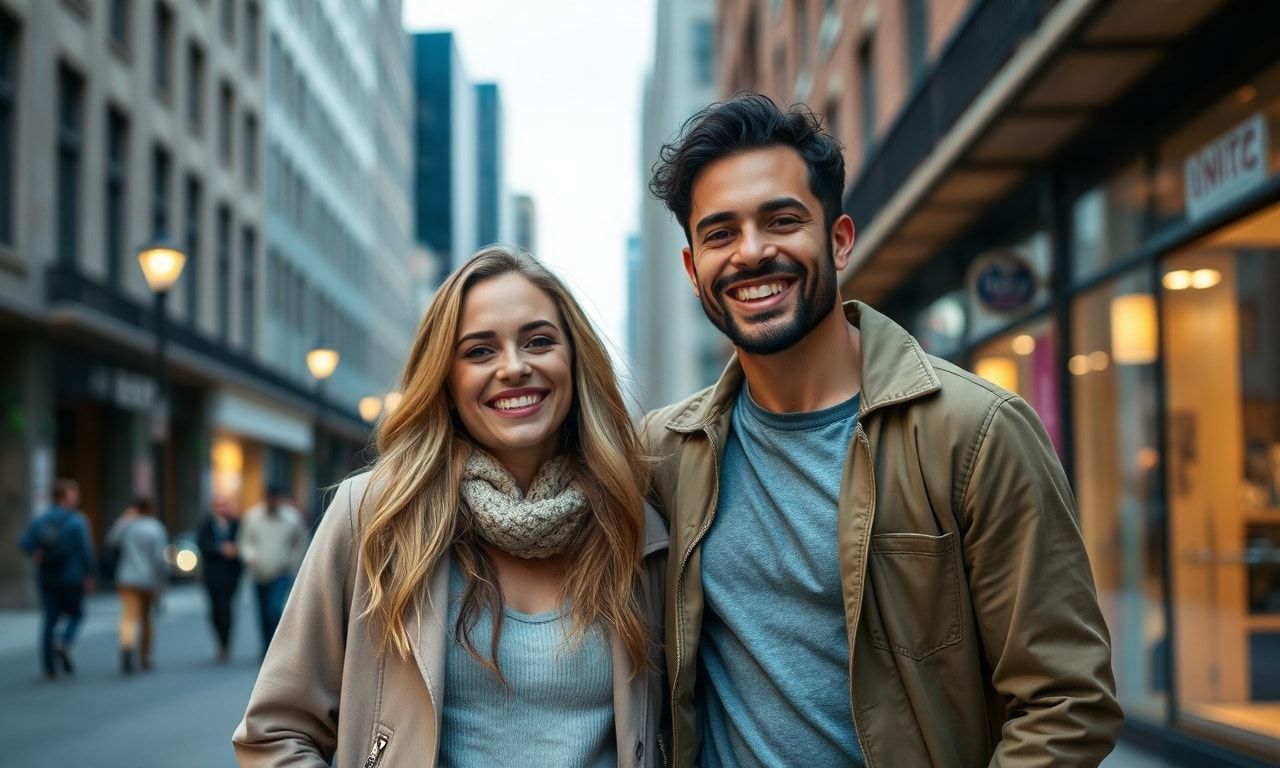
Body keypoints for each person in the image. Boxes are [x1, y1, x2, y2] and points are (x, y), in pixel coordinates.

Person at [642, 93, 1123, 767]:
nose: (752, 253)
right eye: (720, 233)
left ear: (839, 239)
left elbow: (1067, 701)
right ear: (694, 271)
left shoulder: (977, 432)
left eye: (781, 220)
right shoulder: (663, 453)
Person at [235, 247, 668, 767]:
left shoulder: (635, 526)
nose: (514, 367)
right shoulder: (376, 514)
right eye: (480, 351)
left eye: (538, 341)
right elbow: (276, 733)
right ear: (445, 377)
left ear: (574, 360)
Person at [19, 478, 95, 679]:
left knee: (50, 619)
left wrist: (36, 553)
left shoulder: (41, 520)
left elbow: (24, 542)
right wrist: (90, 574)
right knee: (76, 613)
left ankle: (48, 666)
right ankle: (64, 640)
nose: (77, 497)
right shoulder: (77, 521)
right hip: (71, 576)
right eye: (74, 493)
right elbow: (85, 552)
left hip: (47, 576)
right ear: (65, 497)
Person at [236, 486, 308, 655]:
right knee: (262, 613)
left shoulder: (292, 518)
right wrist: (250, 556)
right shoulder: (252, 517)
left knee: (274, 609)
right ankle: (266, 647)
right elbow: (244, 541)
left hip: (281, 572)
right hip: (259, 573)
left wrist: (293, 561)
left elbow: (301, 541)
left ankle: (276, 647)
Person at [106, 498, 169, 674]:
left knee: (128, 615)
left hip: (126, 578)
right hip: (148, 579)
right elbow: (159, 557)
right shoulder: (155, 527)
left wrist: (123, 518)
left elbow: (111, 540)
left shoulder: (127, 525)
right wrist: (162, 578)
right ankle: (145, 656)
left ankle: (127, 644)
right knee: (147, 618)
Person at [197, 494, 244, 663]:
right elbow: (202, 545)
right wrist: (221, 549)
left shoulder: (237, 524)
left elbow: (245, 543)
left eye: (225, 504)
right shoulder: (206, 525)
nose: (222, 508)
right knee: (215, 610)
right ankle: (220, 640)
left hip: (231, 574)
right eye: (219, 505)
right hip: (212, 575)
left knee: (227, 609)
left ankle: (225, 644)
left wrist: (236, 550)